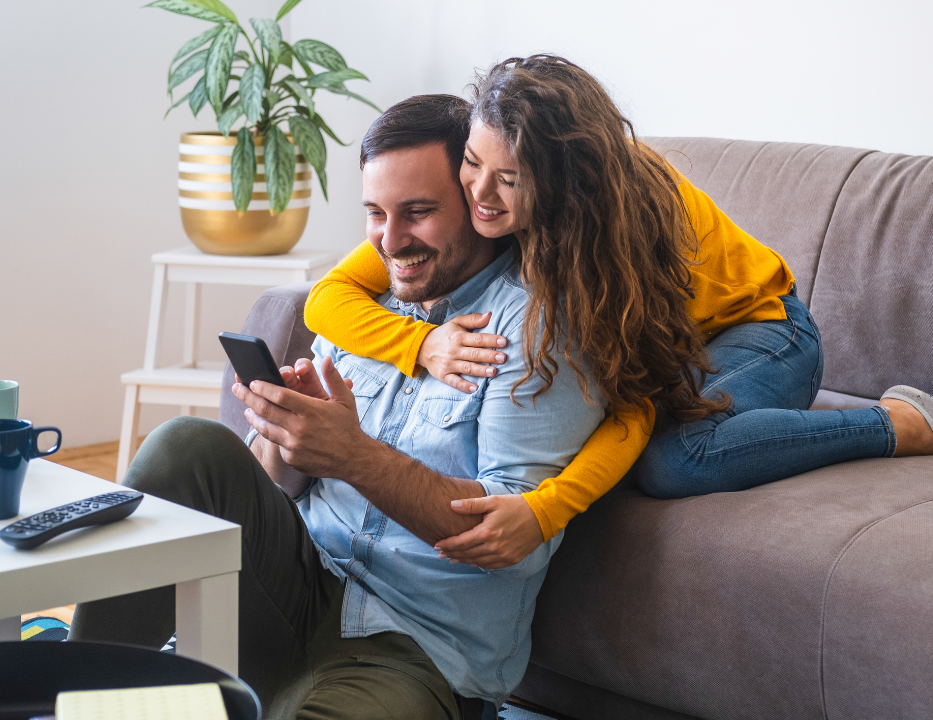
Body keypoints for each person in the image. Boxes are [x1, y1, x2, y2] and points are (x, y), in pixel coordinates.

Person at [68, 94, 604, 720]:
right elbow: (275, 486)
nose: (390, 240)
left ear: (478, 204)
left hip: (410, 649)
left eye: (419, 213)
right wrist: (285, 432)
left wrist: (353, 455)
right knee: (186, 446)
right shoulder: (364, 303)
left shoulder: (538, 328)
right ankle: (70, 690)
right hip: (293, 587)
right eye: (375, 213)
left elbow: (512, 542)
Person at [304, 54, 933, 571]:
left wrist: (546, 508)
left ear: (558, 179)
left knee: (673, 460)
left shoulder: (607, 236)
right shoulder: (472, 203)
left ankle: (896, 422)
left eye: (509, 179)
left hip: (763, 330)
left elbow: (634, 402)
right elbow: (326, 300)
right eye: (471, 164)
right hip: (684, 346)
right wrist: (420, 347)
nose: (479, 195)